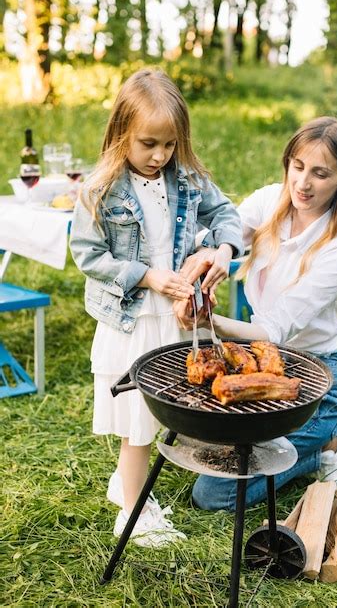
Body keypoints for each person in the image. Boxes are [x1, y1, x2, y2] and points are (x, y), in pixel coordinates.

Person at [70, 68, 244, 543]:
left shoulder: (185, 177)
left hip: (175, 319)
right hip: (134, 321)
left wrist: (224, 251)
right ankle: (132, 515)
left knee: (171, 410)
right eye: (148, 143)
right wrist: (147, 276)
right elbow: (88, 256)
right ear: (121, 132)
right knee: (139, 425)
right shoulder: (100, 190)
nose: (160, 155)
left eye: (169, 144)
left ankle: (126, 485)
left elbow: (226, 213)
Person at [175, 116, 337, 511]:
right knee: (203, 448)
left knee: (213, 495)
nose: (302, 183)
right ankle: (296, 449)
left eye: (320, 173)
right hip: (259, 366)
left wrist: (209, 322)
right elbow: (223, 232)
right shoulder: (271, 199)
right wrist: (217, 253)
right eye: (297, 166)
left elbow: (272, 329)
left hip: (315, 386)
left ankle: (328, 446)